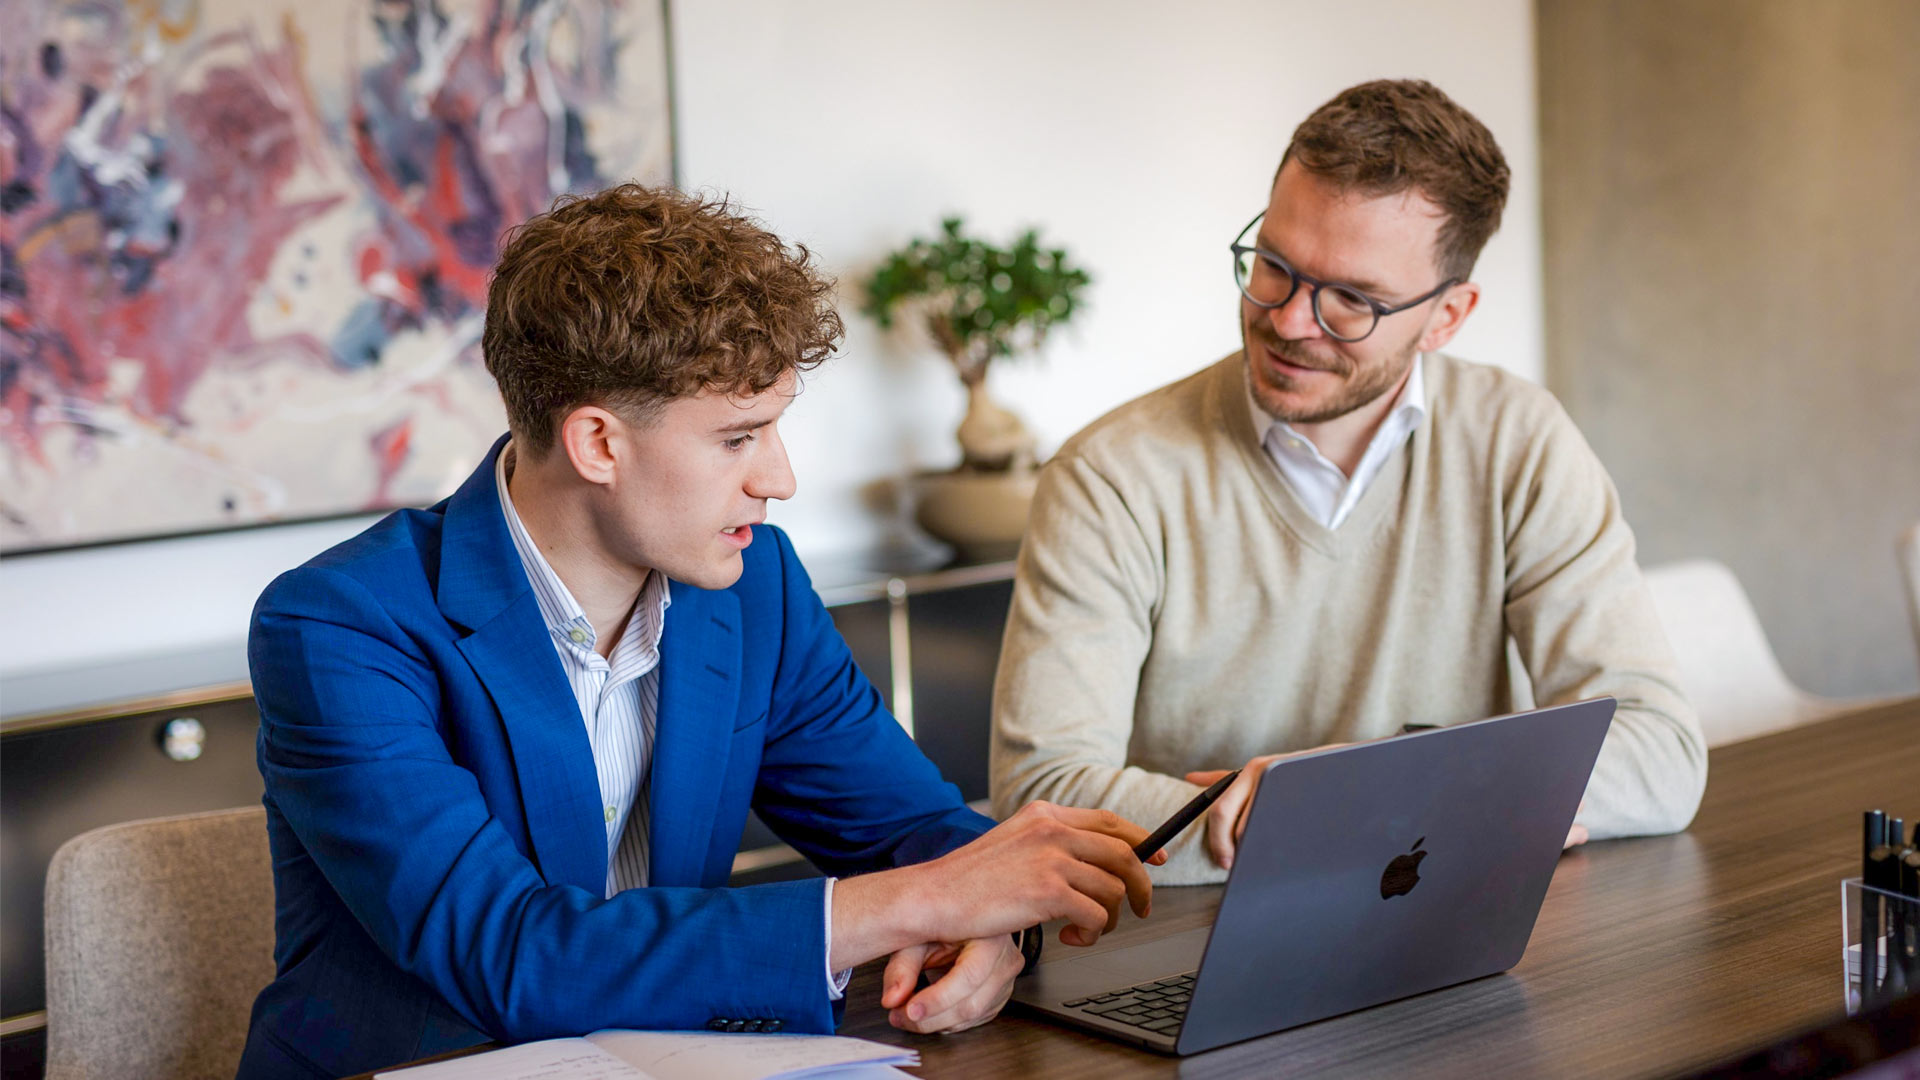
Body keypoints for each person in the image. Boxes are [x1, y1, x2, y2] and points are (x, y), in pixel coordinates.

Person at [238, 184, 1162, 1079]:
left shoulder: (753, 584)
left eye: (776, 428)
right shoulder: (338, 627)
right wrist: (925, 900)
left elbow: (916, 832)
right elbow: (512, 955)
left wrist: (990, 924)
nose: (780, 478)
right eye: (737, 438)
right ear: (599, 443)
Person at [990, 79, 1707, 886]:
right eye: (1274, 266)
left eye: (1353, 301)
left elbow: (1661, 755)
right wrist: (1445, 809)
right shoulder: (1109, 476)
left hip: (1433, 925)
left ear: (1448, 316)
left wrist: (1338, 801)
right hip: (1183, 945)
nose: (1291, 321)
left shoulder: (1518, 440)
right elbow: (1042, 793)